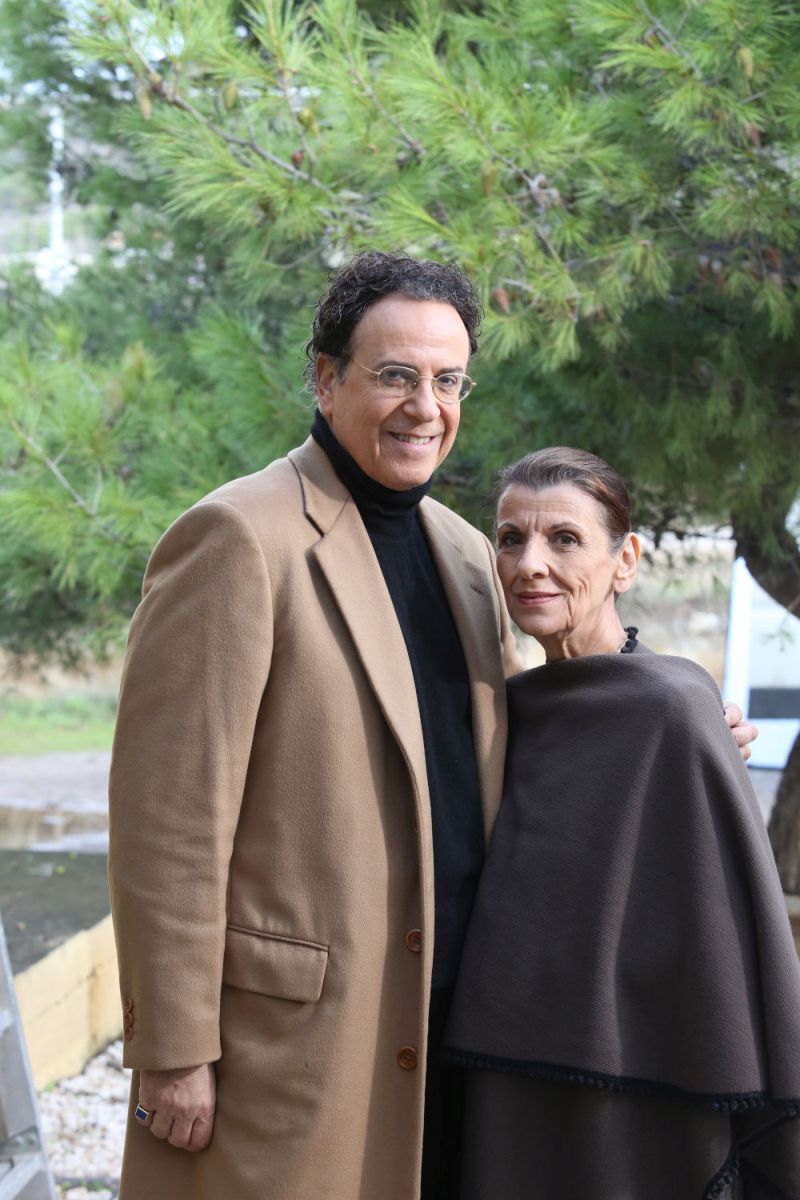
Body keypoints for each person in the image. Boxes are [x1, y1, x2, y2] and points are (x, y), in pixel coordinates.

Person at [108, 253, 755, 1200]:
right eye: (396, 375)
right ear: (325, 379)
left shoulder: (465, 553)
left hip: (464, 1029)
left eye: (448, 381)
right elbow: (167, 821)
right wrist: (172, 1050)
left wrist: (671, 723)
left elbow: (514, 742)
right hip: (298, 1040)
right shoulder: (238, 539)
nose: (425, 407)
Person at [444, 447, 800, 1200]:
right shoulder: (504, 711)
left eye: (565, 539)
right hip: (503, 1067)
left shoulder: (674, 708)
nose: (531, 564)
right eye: (511, 539)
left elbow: (726, 925)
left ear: (624, 561)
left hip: (634, 1083)